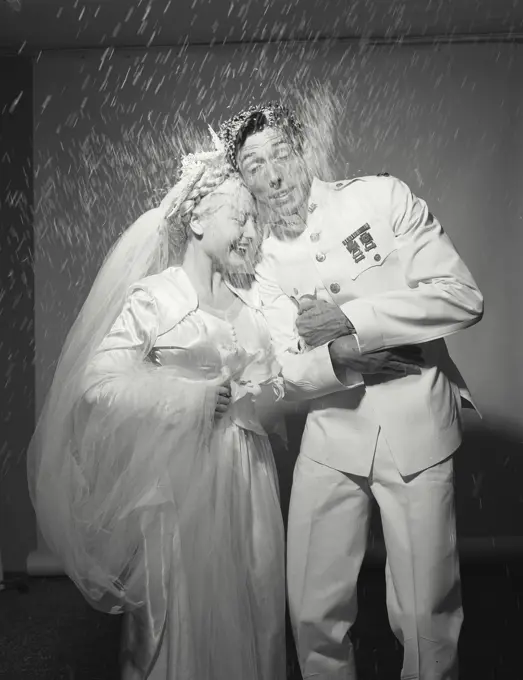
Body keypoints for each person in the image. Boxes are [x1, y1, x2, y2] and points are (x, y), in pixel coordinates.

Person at [218, 102, 484, 680]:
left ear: (302, 147)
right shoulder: (261, 261)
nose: (274, 175)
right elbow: (284, 366)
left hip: (418, 430)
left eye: (281, 153)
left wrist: (348, 320)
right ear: (243, 178)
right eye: (254, 164)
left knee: (424, 617)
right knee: (312, 613)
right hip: (330, 436)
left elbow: (461, 298)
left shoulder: (381, 197)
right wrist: (340, 357)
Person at [28, 149, 287, 680]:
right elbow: (96, 386)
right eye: (238, 218)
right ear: (195, 218)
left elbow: (276, 387)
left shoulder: (253, 304)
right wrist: (188, 397)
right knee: (184, 613)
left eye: (253, 222)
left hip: (248, 478)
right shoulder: (157, 298)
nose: (249, 233)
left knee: (253, 597)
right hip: (182, 485)